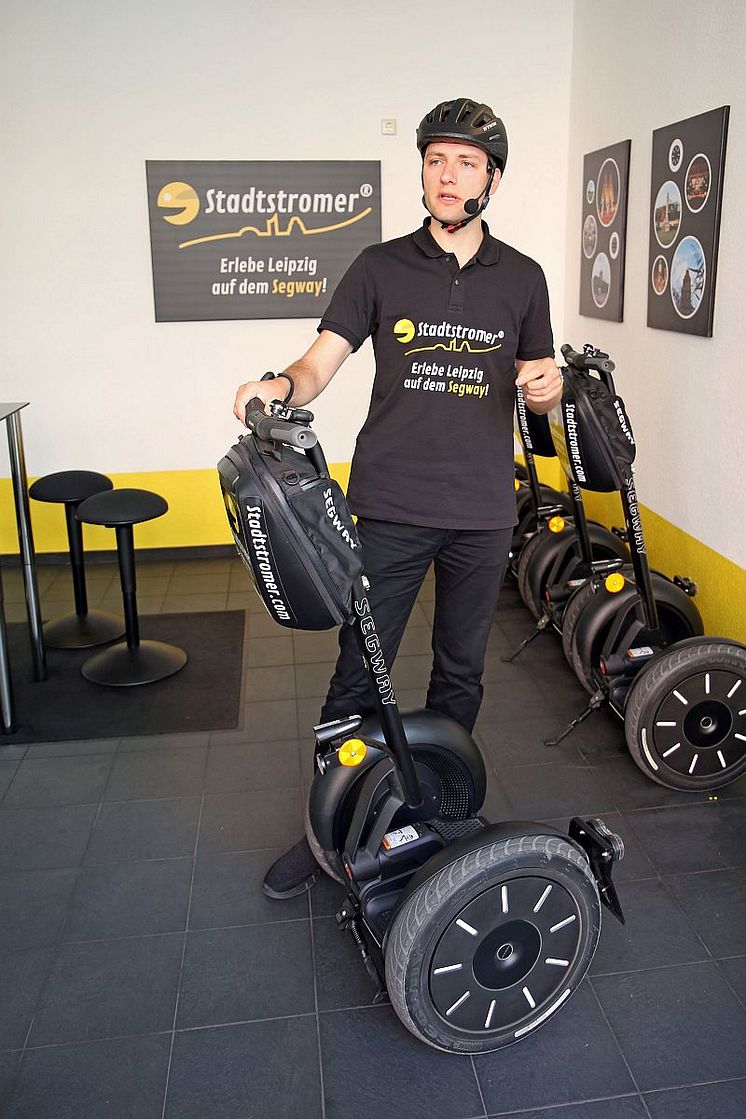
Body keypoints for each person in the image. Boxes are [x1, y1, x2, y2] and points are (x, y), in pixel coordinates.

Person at [233, 97, 564, 898]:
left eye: (466, 162)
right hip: (387, 504)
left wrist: (548, 391)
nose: (447, 176)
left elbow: (538, 381)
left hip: (484, 510)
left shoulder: (523, 277)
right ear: (422, 169)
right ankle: (329, 828)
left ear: (493, 177)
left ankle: (443, 814)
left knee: (460, 671)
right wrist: (280, 381)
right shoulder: (379, 266)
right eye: (435, 160)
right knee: (357, 670)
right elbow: (322, 361)